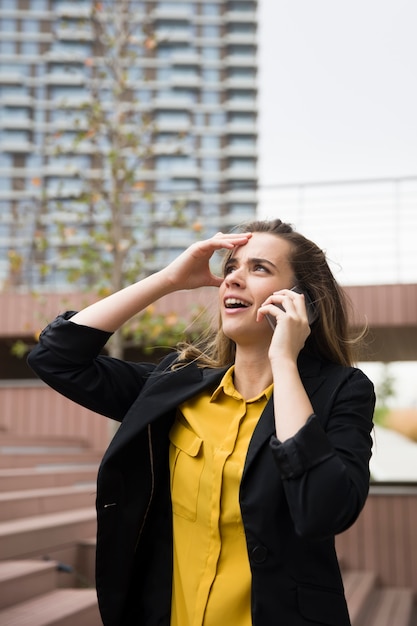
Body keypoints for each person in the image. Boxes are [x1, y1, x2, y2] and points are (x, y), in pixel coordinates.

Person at [28, 219, 375, 626]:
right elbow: (56, 357)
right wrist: (168, 279)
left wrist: (285, 360)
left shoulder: (343, 391)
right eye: (231, 268)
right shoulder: (176, 381)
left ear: (302, 301)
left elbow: (324, 511)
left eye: (258, 268)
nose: (234, 279)